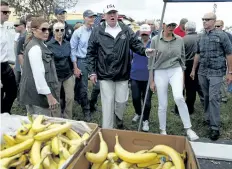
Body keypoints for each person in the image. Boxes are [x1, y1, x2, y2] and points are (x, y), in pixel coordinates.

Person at [87, 4, 154, 129]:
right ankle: (107, 130)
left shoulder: (126, 29)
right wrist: (92, 72)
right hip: (104, 74)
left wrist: (145, 51)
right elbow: (91, 52)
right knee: (107, 104)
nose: (112, 15)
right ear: (104, 16)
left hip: (122, 73)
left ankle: (118, 117)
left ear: (117, 15)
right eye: (109, 13)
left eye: (114, 12)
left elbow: (136, 44)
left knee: (121, 101)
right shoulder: (97, 31)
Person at [149, 19, 199, 141]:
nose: (171, 27)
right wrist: (151, 81)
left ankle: (188, 128)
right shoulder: (155, 40)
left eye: (173, 25)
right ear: (163, 25)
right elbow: (150, 62)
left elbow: (182, 59)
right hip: (160, 71)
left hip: (176, 69)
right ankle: (163, 129)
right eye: (169, 25)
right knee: (162, 103)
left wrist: (182, 80)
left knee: (179, 97)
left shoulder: (180, 40)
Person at [191, 13, 232, 140]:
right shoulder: (200, 36)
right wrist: (193, 69)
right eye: (203, 19)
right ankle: (208, 118)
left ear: (214, 21)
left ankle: (215, 127)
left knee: (214, 97)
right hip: (203, 71)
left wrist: (230, 72)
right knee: (206, 96)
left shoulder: (222, 35)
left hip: (217, 71)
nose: (204, 21)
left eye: (207, 19)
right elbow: (197, 54)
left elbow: (229, 54)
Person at [19, 17, 60, 117]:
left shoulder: (40, 44)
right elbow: (39, 75)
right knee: (42, 127)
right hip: (37, 97)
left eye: (48, 29)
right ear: (33, 30)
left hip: (33, 94)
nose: (47, 32)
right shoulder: (35, 48)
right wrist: (50, 96)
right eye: (43, 29)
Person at [70, 10, 97, 121]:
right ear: (84, 18)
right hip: (82, 60)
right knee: (83, 88)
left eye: (93, 17)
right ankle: (86, 110)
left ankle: (92, 104)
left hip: (95, 61)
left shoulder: (96, 31)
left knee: (99, 86)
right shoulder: (78, 32)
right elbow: (73, 50)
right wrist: (75, 67)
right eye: (90, 17)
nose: (92, 19)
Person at [47, 22, 75, 119]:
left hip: (68, 74)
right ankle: (56, 119)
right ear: (53, 31)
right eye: (57, 30)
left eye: (62, 30)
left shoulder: (67, 44)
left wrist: (74, 68)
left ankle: (68, 119)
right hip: (55, 76)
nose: (60, 32)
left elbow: (71, 58)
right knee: (56, 98)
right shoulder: (48, 45)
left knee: (70, 97)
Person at [131, 24, 153, 132]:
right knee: (135, 98)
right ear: (140, 33)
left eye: (146, 34)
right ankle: (138, 112)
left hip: (148, 76)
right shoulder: (135, 44)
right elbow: (129, 57)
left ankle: (145, 120)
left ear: (149, 33)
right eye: (142, 34)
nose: (144, 36)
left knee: (147, 101)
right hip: (135, 75)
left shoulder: (153, 43)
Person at [182, 21, 204, 114]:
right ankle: (190, 108)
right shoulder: (201, 37)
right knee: (193, 87)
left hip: (187, 64)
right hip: (199, 64)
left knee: (184, 87)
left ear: (186, 29)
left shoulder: (183, 39)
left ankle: (183, 108)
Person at [0, 1, 17, 114]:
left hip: (6, 65)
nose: (7, 14)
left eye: (8, 12)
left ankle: (5, 113)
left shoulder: (3, 27)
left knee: (13, 91)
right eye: (4, 12)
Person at [215, 20, 232, 103]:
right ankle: (218, 95)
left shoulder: (227, 35)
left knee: (223, 79)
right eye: (215, 26)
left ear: (222, 26)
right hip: (215, 60)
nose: (216, 28)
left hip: (225, 59)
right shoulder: (212, 35)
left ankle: (224, 97)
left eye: (218, 26)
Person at [14, 19, 27, 88]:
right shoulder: (18, 36)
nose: (15, 27)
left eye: (16, 25)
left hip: (23, 66)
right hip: (17, 65)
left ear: (22, 26)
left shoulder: (27, 37)